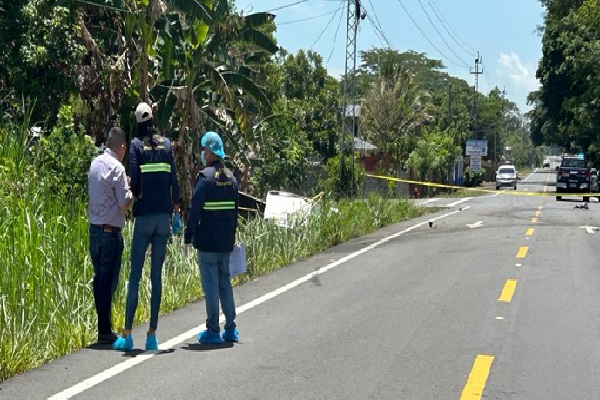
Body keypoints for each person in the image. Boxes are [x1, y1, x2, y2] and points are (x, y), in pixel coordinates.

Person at [113, 102, 182, 352]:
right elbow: (174, 179)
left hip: (144, 219)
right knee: (156, 277)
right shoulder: (166, 144)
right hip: (163, 218)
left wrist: (135, 195)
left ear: (138, 123)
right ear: (153, 119)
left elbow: (136, 178)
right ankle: (152, 335)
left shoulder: (135, 145)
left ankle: (128, 334)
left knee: (134, 277)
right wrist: (176, 209)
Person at [184, 131, 239, 344]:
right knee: (225, 284)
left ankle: (213, 330)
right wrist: (232, 239)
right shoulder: (231, 178)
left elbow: (194, 210)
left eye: (203, 149)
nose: (202, 153)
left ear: (208, 151)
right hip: (225, 242)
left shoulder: (205, 178)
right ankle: (231, 328)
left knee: (211, 286)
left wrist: (187, 237)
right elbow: (235, 212)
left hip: (207, 243)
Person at [88, 127, 133, 344]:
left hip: (94, 231)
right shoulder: (118, 168)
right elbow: (124, 203)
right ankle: (104, 329)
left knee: (100, 280)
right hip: (110, 233)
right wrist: (131, 190)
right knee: (109, 282)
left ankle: (103, 326)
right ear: (122, 148)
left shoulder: (95, 163)